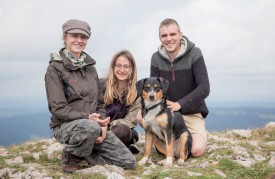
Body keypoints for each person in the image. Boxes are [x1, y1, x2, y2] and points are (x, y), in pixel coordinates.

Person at [44, 19, 136, 173]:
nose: (79, 40)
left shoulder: (90, 68)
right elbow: (58, 108)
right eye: (75, 36)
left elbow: (100, 103)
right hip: (65, 126)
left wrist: (103, 124)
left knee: (128, 162)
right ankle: (71, 154)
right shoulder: (54, 69)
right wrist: (88, 118)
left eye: (83, 37)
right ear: (65, 37)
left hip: (93, 126)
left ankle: (86, 154)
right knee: (90, 127)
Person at [138, 18, 210, 157]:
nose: (168, 39)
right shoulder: (156, 58)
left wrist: (180, 104)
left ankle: (180, 142)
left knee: (196, 150)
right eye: (164, 35)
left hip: (191, 113)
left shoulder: (195, 53)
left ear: (180, 34)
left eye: (172, 34)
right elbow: (155, 88)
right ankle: (166, 143)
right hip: (167, 112)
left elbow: (204, 88)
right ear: (160, 38)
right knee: (141, 117)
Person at [100, 50, 141, 154]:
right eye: (118, 66)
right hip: (98, 127)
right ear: (113, 67)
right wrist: (101, 125)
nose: (122, 70)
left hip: (118, 130)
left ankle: (104, 148)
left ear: (131, 69)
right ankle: (122, 149)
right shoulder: (101, 85)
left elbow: (131, 121)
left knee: (123, 130)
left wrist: (108, 126)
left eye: (126, 66)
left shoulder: (137, 93)